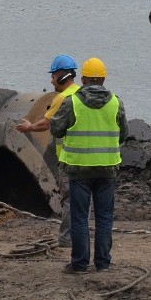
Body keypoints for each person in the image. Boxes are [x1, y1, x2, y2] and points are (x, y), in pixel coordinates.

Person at [50, 57, 128, 274]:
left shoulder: (72, 102)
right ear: (103, 78)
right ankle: (103, 263)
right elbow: (124, 134)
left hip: (79, 170)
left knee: (80, 217)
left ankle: (80, 264)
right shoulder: (116, 102)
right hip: (107, 169)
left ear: (83, 79)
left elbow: (56, 129)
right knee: (104, 217)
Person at [15, 54, 80, 247]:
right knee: (82, 201)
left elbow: (46, 123)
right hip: (85, 159)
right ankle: (79, 235)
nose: (51, 80)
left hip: (69, 158)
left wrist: (29, 127)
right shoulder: (80, 94)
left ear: (62, 77)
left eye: (53, 76)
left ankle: (67, 239)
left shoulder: (63, 98)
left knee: (68, 200)